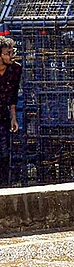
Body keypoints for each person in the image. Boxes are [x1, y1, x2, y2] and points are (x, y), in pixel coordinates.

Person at [0, 37, 21, 186]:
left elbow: (13, 94)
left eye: (12, 52)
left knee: (4, 154)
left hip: (2, 115)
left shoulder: (15, 69)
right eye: (8, 53)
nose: (11, 56)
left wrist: (14, 118)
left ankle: (3, 189)